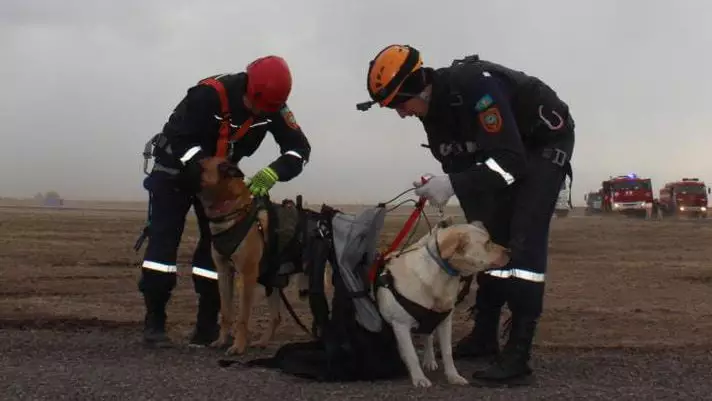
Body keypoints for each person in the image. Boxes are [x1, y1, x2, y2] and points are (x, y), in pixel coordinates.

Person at [357, 44, 574, 386]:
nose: (401, 114)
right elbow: (459, 161)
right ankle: (485, 334)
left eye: (400, 104)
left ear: (417, 87)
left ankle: (518, 355)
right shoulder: (432, 113)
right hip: (506, 153)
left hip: (542, 144)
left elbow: (511, 161)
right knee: (489, 234)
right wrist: (444, 184)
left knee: (523, 238)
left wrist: (455, 183)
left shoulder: (477, 88)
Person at [138, 55, 311, 348]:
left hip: (215, 181)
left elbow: (298, 148)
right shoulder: (208, 95)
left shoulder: (272, 107)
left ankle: (208, 327)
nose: (259, 115)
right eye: (256, 107)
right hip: (175, 173)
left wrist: (275, 171)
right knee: (162, 250)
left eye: (267, 111)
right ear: (249, 89)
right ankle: (155, 323)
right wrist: (207, 169)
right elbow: (179, 140)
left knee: (215, 252)